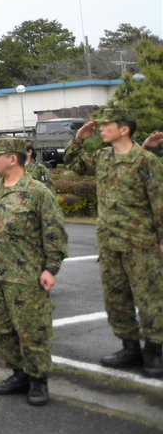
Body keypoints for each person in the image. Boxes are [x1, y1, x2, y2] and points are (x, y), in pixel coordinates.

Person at [63, 110, 163, 378]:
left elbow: (159, 203)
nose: (102, 128)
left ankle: (154, 352)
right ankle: (129, 348)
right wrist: (78, 138)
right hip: (109, 243)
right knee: (116, 299)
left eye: (107, 125)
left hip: (141, 243)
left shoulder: (146, 161)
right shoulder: (103, 158)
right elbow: (73, 162)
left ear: (124, 129)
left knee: (150, 299)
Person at [0, 138, 68, 405]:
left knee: (32, 329)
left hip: (24, 275)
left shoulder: (37, 191)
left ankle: (38, 379)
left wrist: (51, 268)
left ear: (12, 159)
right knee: (2, 330)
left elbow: (54, 232)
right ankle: (18, 373)